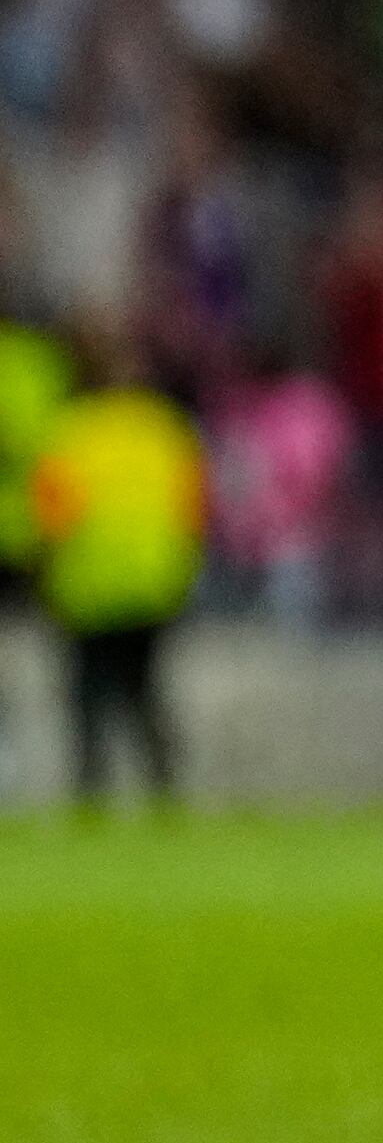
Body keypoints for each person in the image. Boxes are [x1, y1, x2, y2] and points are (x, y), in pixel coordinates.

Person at [34, 336, 206, 809]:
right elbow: (193, 510)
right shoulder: (166, 429)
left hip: (87, 587)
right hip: (154, 583)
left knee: (90, 699)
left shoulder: (69, 433)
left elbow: (52, 518)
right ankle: (165, 796)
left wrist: (44, 577)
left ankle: (92, 798)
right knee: (146, 693)